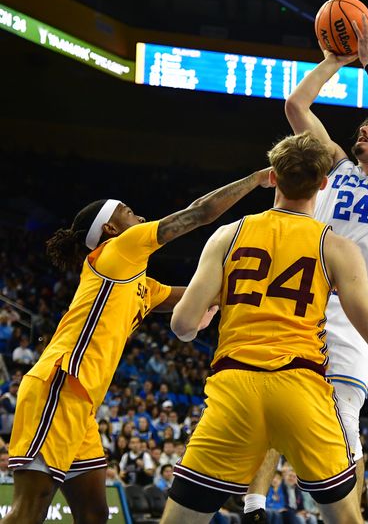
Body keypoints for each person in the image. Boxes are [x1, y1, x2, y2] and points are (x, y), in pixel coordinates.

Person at [161, 132, 368, 524]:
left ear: (272, 177)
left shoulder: (229, 234)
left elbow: (183, 325)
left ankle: (252, 503)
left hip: (234, 387)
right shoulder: (337, 247)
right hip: (300, 388)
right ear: (324, 185)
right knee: (346, 518)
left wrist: (207, 314)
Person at [2, 167, 272, 524]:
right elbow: (200, 212)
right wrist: (255, 180)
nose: (140, 216)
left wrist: (268, 283)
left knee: (95, 514)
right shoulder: (117, 251)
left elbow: (199, 294)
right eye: (128, 212)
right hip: (59, 383)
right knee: (29, 509)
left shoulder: (138, 282)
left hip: (82, 402)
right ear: (111, 229)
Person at [242, 10, 368, 520]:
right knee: (275, 409)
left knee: (341, 423)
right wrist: (331, 61)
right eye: (365, 125)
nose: (364, 129)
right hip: (301, 299)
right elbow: (296, 104)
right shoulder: (336, 166)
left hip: (351, 311)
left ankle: (357, 510)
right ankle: (254, 508)